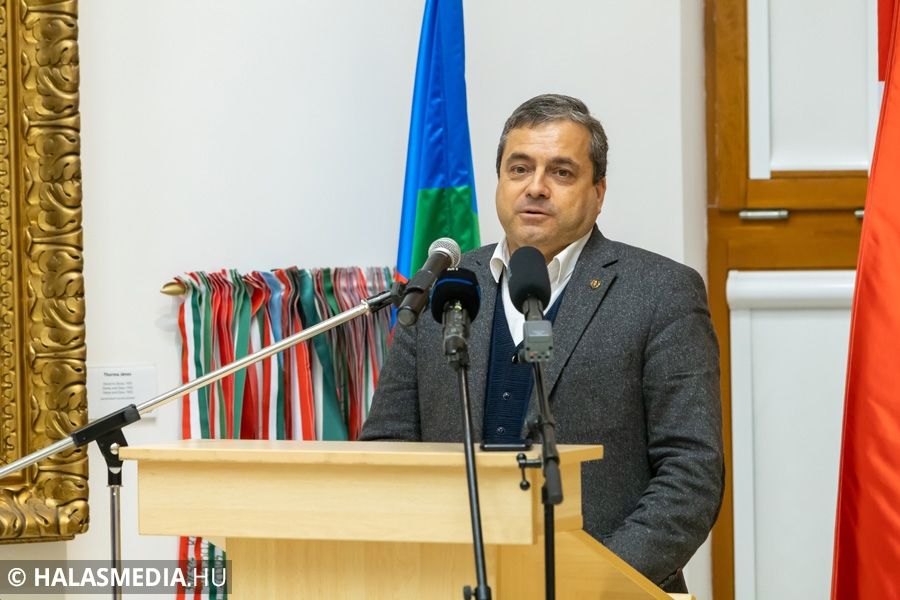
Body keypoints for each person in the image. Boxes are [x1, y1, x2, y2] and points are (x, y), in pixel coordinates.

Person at [360, 94, 724, 593]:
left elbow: (691, 471)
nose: (535, 187)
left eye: (561, 172)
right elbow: (388, 449)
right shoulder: (444, 287)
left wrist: (596, 583)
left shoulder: (661, 292)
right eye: (519, 169)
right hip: (454, 581)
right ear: (499, 182)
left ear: (598, 192)